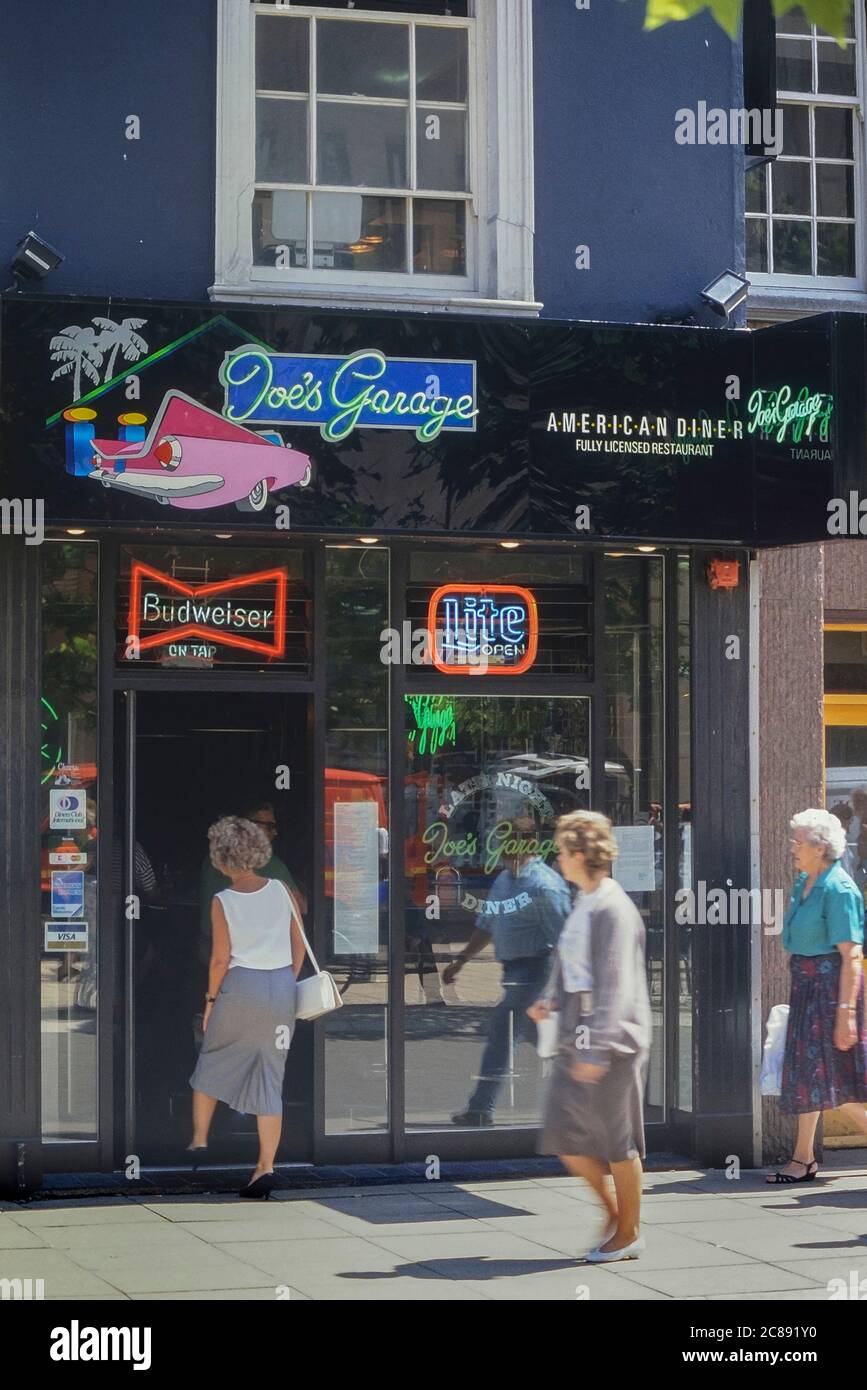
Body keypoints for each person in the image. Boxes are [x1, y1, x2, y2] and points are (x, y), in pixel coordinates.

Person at [528, 810, 652, 1263]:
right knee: (564, 1137)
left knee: (618, 1140)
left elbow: (615, 984)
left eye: (562, 850)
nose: (557, 858)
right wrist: (552, 1000)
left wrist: (597, 1048)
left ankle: (629, 1232)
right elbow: (571, 965)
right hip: (579, 1033)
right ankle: (617, 1217)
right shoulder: (585, 899)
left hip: (613, 1040)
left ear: (580, 854)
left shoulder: (611, 907)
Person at [188, 816, 306, 1199]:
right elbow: (298, 942)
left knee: (213, 1056)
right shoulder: (283, 890)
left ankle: (200, 1139)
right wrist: (288, 977)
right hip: (281, 985)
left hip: (241, 985)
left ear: (222, 859)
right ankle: (265, 1166)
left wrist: (209, 1001)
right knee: (272, 1078)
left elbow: (220, 959)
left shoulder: (222, 901)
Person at [445, 817, 572, 1126]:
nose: (502, 850)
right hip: (513, 970)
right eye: (501, 843)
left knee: (503, 1032)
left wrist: (566, 986)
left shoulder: (544, 886)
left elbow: (566, 939)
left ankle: (480, 1110)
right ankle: (586, 1090)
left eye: (508, 843)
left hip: (535, 970)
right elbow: (487, 925)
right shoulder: (504, 880)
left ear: (527, 843)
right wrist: (460, 960)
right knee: (546, 1041)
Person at [766, 808, 867, 1183]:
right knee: (810, 1080)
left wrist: (846, 1014)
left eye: (798, 841)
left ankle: (803, 1159)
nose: (792, 847)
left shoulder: (839, 889)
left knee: (839, 1086)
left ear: (820, 847)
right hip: (808, 989)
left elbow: (851, 956)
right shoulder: (805, 882)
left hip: (831, 993)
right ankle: (803, 1158)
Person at [198, 801, 306, 968]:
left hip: (209, 947)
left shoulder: (213, 856)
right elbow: (301, 907)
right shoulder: (270, 864)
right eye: (269, 826)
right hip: (245, 956)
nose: (275, 832)